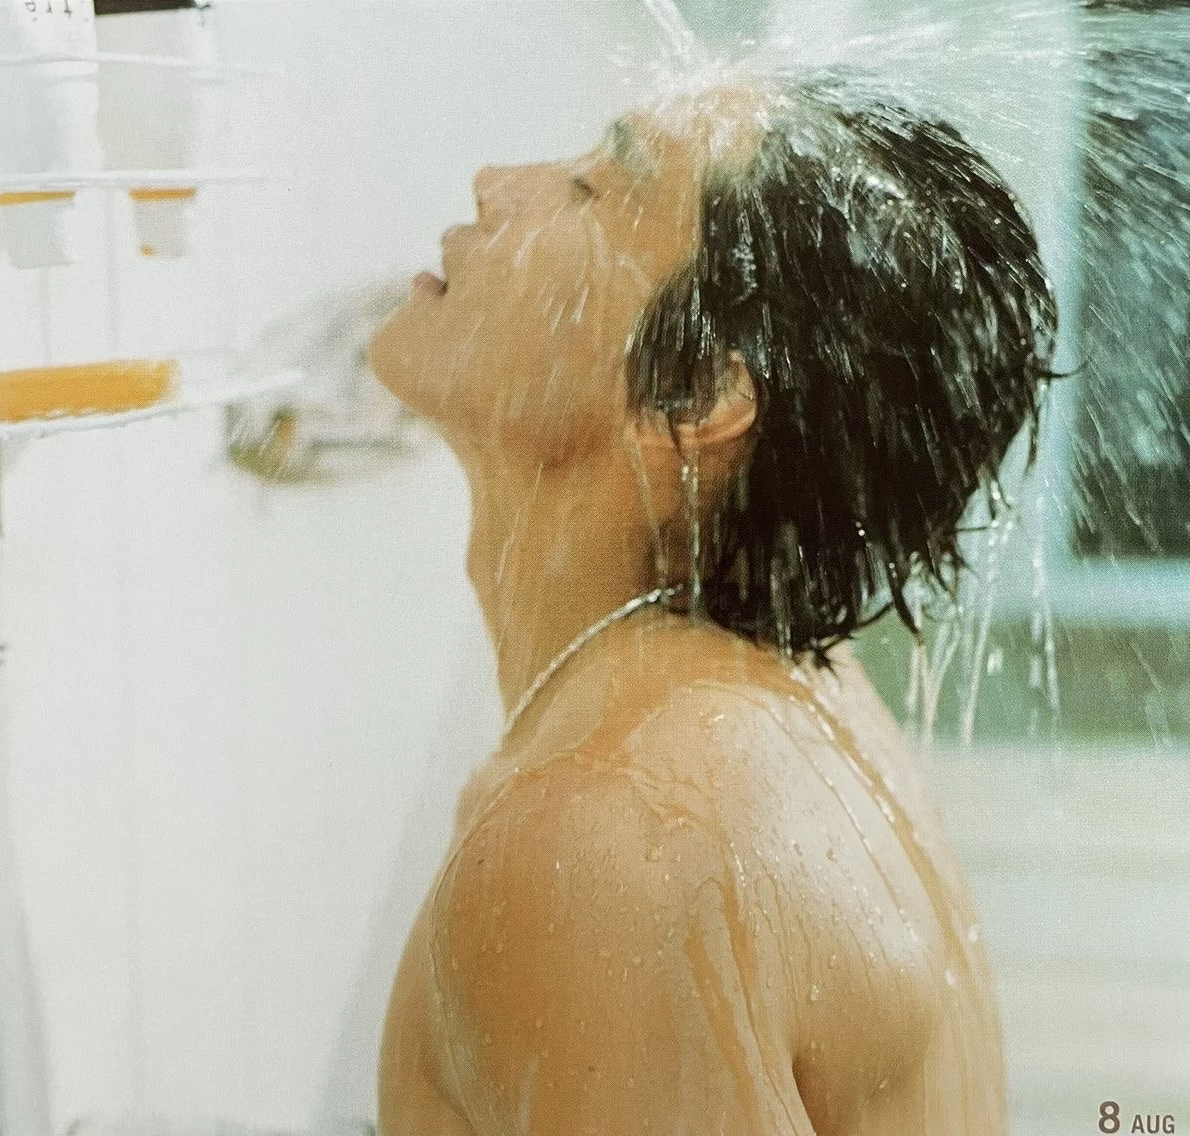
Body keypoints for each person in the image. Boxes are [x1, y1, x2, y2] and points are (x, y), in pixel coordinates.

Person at [369, 71, 1057, 1136]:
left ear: (692, 393)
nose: (497, 181)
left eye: (590, 190)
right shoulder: (782, 703)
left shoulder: (609, 836)